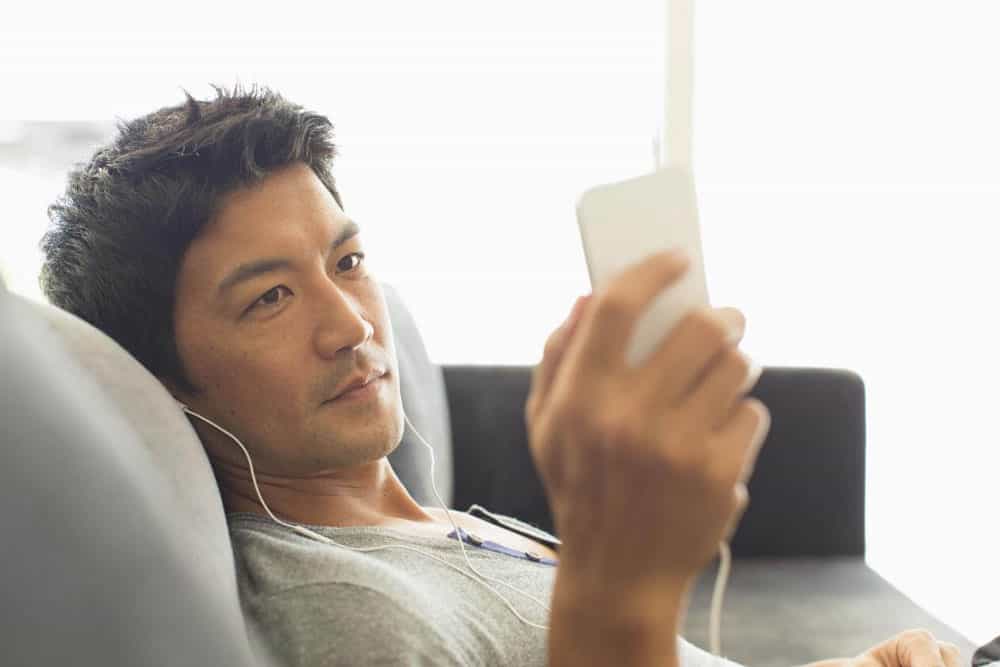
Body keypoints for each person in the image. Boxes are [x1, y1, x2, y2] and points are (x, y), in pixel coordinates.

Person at [39, 85, 963, 667]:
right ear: (170, 379)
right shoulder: (351, 615)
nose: (350, 323)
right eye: (272, 298)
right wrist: (620, 579)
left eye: (348, 262)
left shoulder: (422, 522)